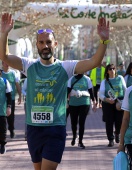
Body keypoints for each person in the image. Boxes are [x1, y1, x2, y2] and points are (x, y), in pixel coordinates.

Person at [0, 13, 109, 170]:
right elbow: (5, 56)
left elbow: (95, 62)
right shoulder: (29, 65)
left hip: (55, 128)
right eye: (42, 42)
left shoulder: (65, 67)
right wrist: (4, 33)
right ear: (37, 45)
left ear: (55, 44)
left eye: (49, 42)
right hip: (33, 128)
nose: (45, 46)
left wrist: (103, 40)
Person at [99, 64, 126, 147]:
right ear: (107, 71)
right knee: (109, 122)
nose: (112, 70)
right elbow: (101, 94)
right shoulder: (104, 81)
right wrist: (107, 100)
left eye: (114, 69)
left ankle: (117, 133)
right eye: (110, 69)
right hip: (108, 103)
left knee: (119, 120)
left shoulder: (120, 78)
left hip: (119, 102)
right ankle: (110, 139)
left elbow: (125, 90)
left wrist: (125, 101)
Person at [67, 74, 96, 149]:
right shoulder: (71, 79)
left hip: (84, 102)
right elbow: (68, 90)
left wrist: (94, 101)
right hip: (73, 103)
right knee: (74, 122)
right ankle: (74, 136)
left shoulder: (87, 79)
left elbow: (90, 90)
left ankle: (80, 141)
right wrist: (66, 102)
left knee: (81, 122)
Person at [1, 61, 22, 138]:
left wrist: (20, 95)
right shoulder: (1, 73)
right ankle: (3, 131)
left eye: (9, 63)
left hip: (11, 98)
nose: (8, 65)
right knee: (2, 116)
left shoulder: (13, 73)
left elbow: (17, 85)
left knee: (10, 115)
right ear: (2, 64)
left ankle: (11, 129)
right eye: (6, 63)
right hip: (2, 99)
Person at [0, 70, 12, 154]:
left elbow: (9, 96)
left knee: (2, 129)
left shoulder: (4, 81)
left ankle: (3, 144)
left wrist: (9, 107)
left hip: (2, 110)